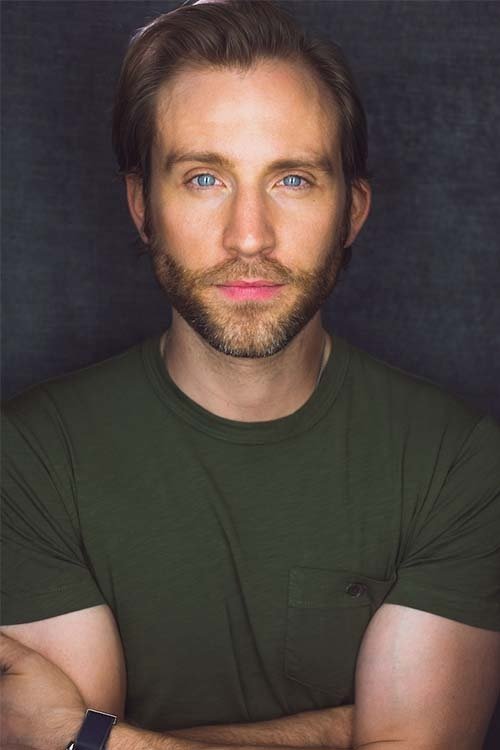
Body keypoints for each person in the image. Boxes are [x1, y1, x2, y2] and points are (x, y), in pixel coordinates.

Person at [1, 1, 499, 748]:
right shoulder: (28, 457)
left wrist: (93, 737)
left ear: (352, 211)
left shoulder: (456, 462)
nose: (249, 237)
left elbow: (68, 738)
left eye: (292, 179)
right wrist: (341, 731)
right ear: (142, 206)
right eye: (204, 178)